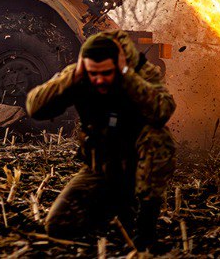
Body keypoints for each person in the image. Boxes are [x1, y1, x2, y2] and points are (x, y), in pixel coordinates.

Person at [25, 29, 175, 250]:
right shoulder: (80, 76)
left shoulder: (139, 72)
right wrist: (72, 77)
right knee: (58, 226)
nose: (99, 80)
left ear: (119, 65)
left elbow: (163, 109)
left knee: (156, 137)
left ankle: (144, 226)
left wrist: (127, 75)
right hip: (101, 169)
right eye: (93, 73)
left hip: (136, 170)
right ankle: (114, 207)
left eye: (106, 73)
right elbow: (35, 107)